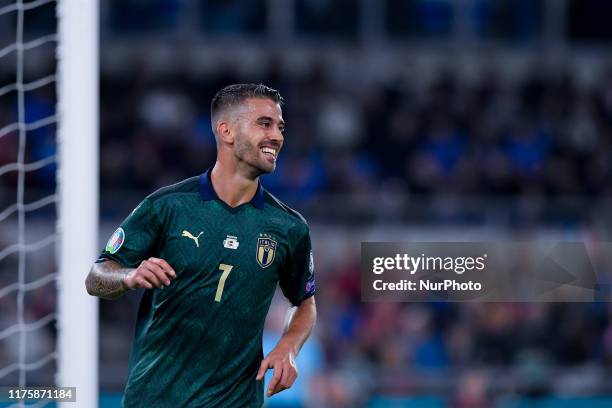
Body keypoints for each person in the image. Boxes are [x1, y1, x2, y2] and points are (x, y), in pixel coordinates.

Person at [86, 83, 317, 407]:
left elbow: (305, 302)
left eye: (280, 127)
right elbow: (96, 276)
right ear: (227, 131)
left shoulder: (289, 227)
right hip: (155, 399)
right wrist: (128, 276)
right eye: (264, 124)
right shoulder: (167, 206)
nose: (277, 136)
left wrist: (287, 347)